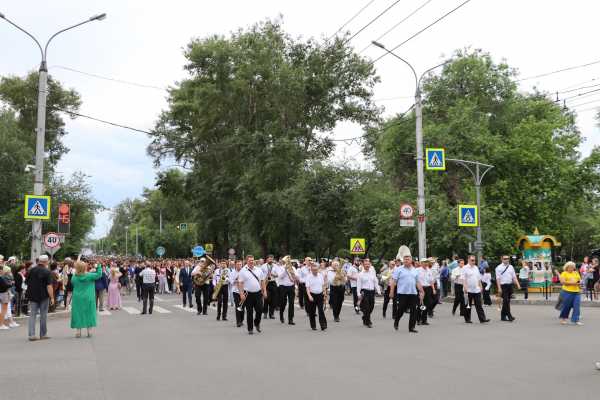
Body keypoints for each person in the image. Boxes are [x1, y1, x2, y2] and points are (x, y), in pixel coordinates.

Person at [390, 255, 423, 333]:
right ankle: (397, 320)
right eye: (405, 259)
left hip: (413, 293)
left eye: (408, 259)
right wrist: (391, 292)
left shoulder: (415, 270)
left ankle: (411, 327)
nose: (406, 260)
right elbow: (394, 281)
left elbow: (417, 282)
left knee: (413, 310)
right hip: (402, 293)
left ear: (411, 260)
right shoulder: (399, 269)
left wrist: (421, 291)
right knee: (401, 309)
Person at [25, 255, 54, 341]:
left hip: (33, 295)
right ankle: (43, 334)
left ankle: (31, 334)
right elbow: (49, 286)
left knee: (32, 315)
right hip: (44, 296)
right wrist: (52, 297)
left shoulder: (31, 270)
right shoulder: (47, 272)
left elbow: (26, 282)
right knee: (43, 315)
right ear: (46, 262)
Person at [71, 261, 103, 338]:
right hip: (89, 297)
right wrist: (98, 266)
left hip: (77, 297)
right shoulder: (89, 275)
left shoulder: (74, 277)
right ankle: (89, 331)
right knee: (89, 312)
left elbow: (72, 283)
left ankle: (78, 331)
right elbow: (99, 274)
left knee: (78, 313)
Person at [237, 255, 266, 335]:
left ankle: (257, 323)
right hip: (248, 294)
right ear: (246, 261)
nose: (251, 261)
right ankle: (250, 328)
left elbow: (263, 281)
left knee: (260, 310)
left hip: (258, 293)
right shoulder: (243, 270)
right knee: (249, 312)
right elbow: (240, 283)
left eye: (252, 260)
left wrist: (265, 291)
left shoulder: (259, 270)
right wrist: (241, 294)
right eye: (250, 260)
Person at [463, 256, 490, 324]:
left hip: (476, 289)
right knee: (468, 305)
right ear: (468, 260)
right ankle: (467, 319)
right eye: (472, 260)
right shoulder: (465, 268)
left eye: (474, 260)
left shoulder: (476, 268)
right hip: (468, 289)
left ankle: (482, 319)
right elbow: (463, 279)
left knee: (479, 304)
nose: (473, 262)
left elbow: (478, 278)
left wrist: (481, 286)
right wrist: (465, 287)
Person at [356, 258, 381, 328]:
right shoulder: (360, 274)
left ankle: (364, 317)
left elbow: (375, 282)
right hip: (365, 291)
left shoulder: (372, 273)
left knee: (371, 306)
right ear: (363, 265)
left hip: (372, 292)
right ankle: (368, 321)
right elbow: (358, 284)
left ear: (370, 265)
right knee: (366, 307)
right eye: (366, 264)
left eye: (368, 264)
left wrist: (378, 291)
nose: (367, 265)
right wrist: (358, 293)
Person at [496, 255, 520, 322]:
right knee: (506, 301)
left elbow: (514, 277)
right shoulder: (498, 268)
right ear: (501, 259)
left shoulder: (511, 267)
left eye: (507, 258)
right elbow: (497, 279)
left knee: (507, 301)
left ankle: (503, 316)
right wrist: (499, 288)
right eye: (505, 258)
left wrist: (518, 284)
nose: (506, 260)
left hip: (510, 286)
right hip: (503, 286)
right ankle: (509, 316)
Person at [558, 261, 583, 325]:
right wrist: (573, 283)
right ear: (567, 267)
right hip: (567, 292)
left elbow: (579, 281)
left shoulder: (576, 273)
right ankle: (563, 319)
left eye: (573, 267)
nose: (572, 268)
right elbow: (563, 282)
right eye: (570, 267)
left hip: (577, 292)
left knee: (577, 306)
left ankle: (576, 320)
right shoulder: (564, 273)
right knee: (566, 306)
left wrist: (580, 285)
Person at [274, 256, 296, 325]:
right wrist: (285, 270)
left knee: (291, 303)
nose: (287, 262)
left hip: (291, 286)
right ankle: (281, 314)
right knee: (283, 303)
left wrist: (293, 273)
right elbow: (280, 277)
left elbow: (295, 276)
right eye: (286, 260)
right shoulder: (279, 268)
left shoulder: (293, 268)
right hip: (282, 287)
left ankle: (290, 319)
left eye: (288, 260)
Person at [305, 261, 327, 331]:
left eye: (316, 270)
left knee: (321, 310)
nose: (315, 271)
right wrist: (309, 296)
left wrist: (324, 293)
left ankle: (323, 325)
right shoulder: (308, 277)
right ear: (311, 270)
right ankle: (313, 325)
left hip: (320, 295)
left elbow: (323, 285)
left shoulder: (320, 275)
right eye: (314, 270)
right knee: (312, 311)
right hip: (312, 295)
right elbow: (307, 288)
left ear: (318, 269)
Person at [416, 260, 435, 325]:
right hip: (421, 288)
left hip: (428, 288)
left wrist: (433, 289)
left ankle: (424, 320)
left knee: (427, 304)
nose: (426, 263)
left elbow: (431, 281)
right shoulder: (417, 270)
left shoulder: (429, 270)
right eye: (424, 262)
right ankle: (418, 319)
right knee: (420, 304)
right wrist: (419, 289)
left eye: (426, 262)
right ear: (421, 263)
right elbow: (415, 280)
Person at [261, 255, 278, 319]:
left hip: (273, 282)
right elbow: (260, 275)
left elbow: (278, 275)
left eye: (272, 259)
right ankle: (265, 313)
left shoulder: (275, 266)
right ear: (267, 259)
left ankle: (271, 314)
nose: (270, 260)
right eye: (269, 259)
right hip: (266, 283)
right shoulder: (263, 266)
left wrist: (273, 274)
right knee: (267, 298)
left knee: (273, 299)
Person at [230, 260, 245, 327]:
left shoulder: (244, 272)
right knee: (238, 306)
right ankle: (238, 322)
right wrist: (237, 280)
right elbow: (231, 282)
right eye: (238, 264)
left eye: (240, 264)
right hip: (236, 291)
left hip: (243, 291)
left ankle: (241, 320)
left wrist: (240, 281)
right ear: (235, 265)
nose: (239, 266)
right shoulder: (232, 272)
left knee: (243, 306)